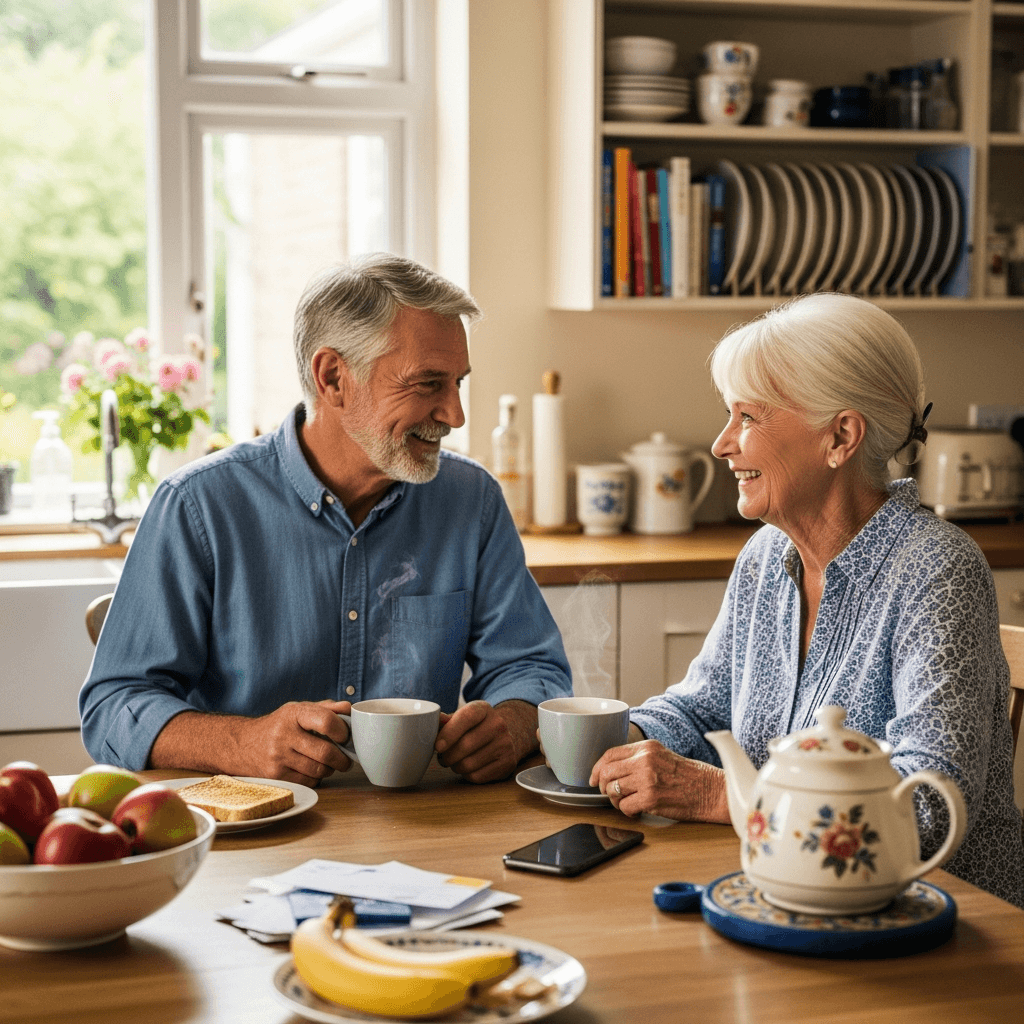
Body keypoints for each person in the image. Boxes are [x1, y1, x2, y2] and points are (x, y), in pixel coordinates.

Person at [589, 292, 1024, 909]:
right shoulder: (767, 557)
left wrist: (722, 795)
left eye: (748, 417)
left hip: (945, 923)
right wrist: (618, 739)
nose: (721, 444)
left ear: (841, 436)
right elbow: (702, 707)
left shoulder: (937, 570)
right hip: (796, 898)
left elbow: (926, 809)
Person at [80, 253, 572, 786]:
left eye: (458, 383)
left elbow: (531, 667)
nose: (455, 414)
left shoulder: (470, 500)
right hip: (251, 837)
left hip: (425, 831)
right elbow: (113, 705)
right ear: (333, 377)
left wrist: (512, 723)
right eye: (428, 384)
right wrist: (242, 744)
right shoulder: (197, 506)